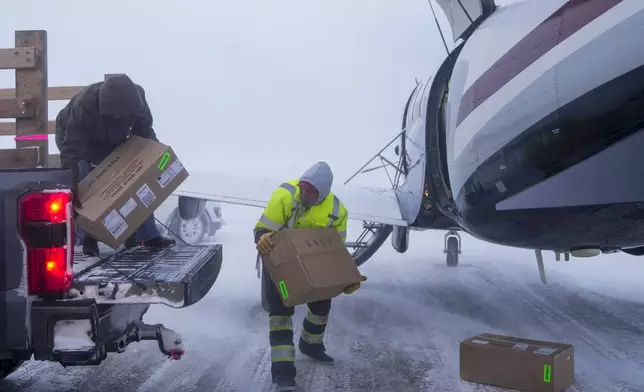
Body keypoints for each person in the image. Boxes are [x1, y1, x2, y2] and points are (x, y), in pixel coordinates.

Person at [254, 161, 368, 391]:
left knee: (321, 306)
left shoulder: (337, 211)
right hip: (280, 265)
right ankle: (283, 374)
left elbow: (335, 252)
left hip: (315, 265)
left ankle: (311, 345)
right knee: (280, 315)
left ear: (322, 195)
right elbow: (262, 228)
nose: (304, 194)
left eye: (310, 193)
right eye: (303, 189)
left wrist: (345, 278)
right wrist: (263, 237)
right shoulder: (285, 194)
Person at [55, 74, 176, 257]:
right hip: (77, 139)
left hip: (114, 138)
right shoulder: (86, 104)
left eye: (123, 114)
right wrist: (71, 181)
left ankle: (147, 235)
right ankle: (90, 236)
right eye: (115, 113)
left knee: (136, 178)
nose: (119, 116)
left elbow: (144, 132)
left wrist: (156, 159)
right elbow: (73, 147)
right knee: (87, 181)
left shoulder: (137, 99)